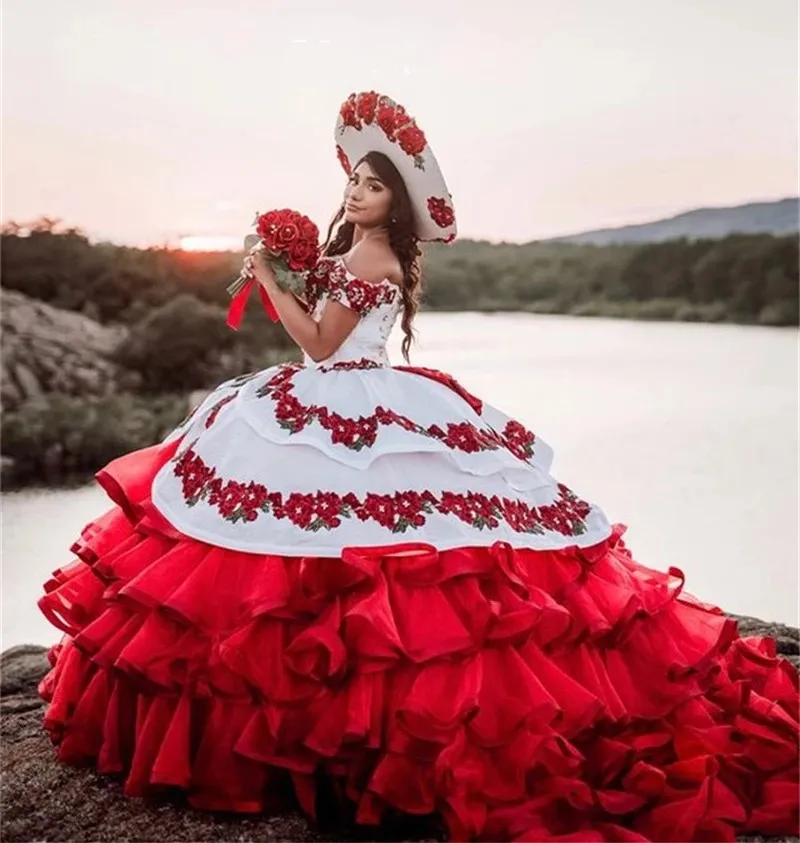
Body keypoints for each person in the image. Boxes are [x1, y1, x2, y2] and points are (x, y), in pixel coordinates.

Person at [36, 91, 799, 842]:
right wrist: (293, 275)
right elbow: (326, 338)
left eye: (371, 186)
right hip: (355, 391)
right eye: (353, 183)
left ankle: (322, 729)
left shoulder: (368, 254)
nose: (355, 193)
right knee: (343, 545)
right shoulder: (367, 252)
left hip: (346, 389)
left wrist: (270, 280)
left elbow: (323, 348)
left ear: (394, 202)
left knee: (324, 551)